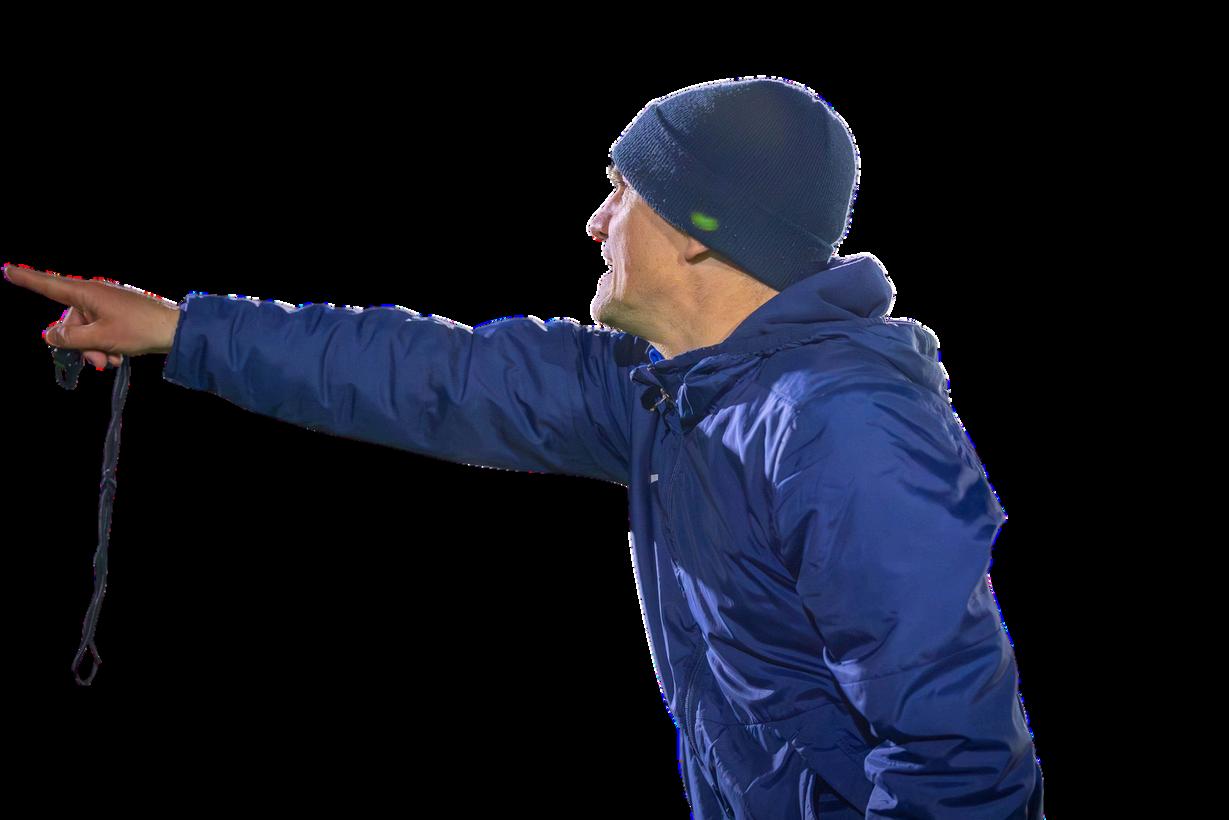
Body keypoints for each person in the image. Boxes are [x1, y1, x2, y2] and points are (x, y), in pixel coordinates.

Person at [6, 76, 1043, 818]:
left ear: (698, 227)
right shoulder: (669, 392)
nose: (596, 222)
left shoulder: (843, 428)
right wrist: (181, 329)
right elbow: (433, 375)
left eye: (623, 191)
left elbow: (959, 771)